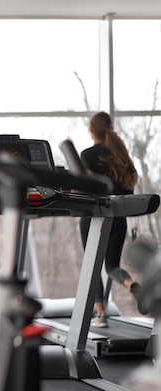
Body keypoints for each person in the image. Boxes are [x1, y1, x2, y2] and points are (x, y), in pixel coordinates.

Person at [78, 111, 144, 328]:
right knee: (112, 266)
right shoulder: (121, 156)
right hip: (118, 217)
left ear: (91, 130)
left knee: (93, 266)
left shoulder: (87, 155)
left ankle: (101, 316)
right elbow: (129, 190)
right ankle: (131, 284)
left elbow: (84, 188)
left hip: (94, 217)